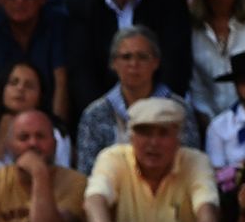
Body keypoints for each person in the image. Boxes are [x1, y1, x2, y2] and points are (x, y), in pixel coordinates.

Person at [84, 95, 219, 222]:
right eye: (145, 132)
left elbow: (206, 201)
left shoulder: (196, 160)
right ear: (131, 137)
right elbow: (95, 198)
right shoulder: (113, 157)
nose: (154, 143)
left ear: (178, 139)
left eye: (163, 133)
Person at [76, 27, 202, 173]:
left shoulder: (179, 109)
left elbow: (191, 165)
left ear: (155, 62)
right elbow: (87, 173)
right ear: (113, 63)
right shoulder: (95, 114)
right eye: (126, 57)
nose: (134, 64)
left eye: (142, 57)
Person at [0, 109, 86, 222]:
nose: (33, 143)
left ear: (55, 144)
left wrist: (39, 174)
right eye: (23, 137)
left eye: (40, 136)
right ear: (9, 145)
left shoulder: (76, 182)